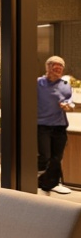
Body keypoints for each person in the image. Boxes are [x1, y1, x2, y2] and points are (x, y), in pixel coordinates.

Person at [38, 55, 74, 194]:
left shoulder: (65, 85)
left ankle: (51, 183)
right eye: (55, 66)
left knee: (56, 157)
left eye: (60, 67)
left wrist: (68, 106)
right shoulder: (38, 83)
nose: (58, 69)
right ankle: (37, 179)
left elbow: (70, 101)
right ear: (48, 67)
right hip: (42, 125)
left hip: (59, 126)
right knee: (45, 156)